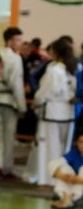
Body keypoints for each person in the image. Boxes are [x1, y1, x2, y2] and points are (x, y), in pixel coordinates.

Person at [25, 37, 77, 186]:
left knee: (48, 147)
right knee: (63, 147)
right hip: (68, 113)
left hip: (52, 113)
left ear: (55, 52)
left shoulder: (55, 70)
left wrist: (37, 101)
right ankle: (60, 176)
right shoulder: (73, 68)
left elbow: (46, 91)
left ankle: (48, 178)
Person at [0, 26, 27, 179]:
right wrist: (22, 106)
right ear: (10, 41)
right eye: (18, 40)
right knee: (8, 137)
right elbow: (16, 84)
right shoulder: (15, 58)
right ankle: (6, 168)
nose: (20, 43)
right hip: (9, 101)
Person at [50, 131, 83, 209]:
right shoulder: (75, 152)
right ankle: (66, 199)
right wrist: (62, 176)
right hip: (71, 184)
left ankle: (69, 200)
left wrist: (78, 180)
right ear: (77, 143)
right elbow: (56, 163)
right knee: (63, 167)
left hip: (80, 189)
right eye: (81, 142)